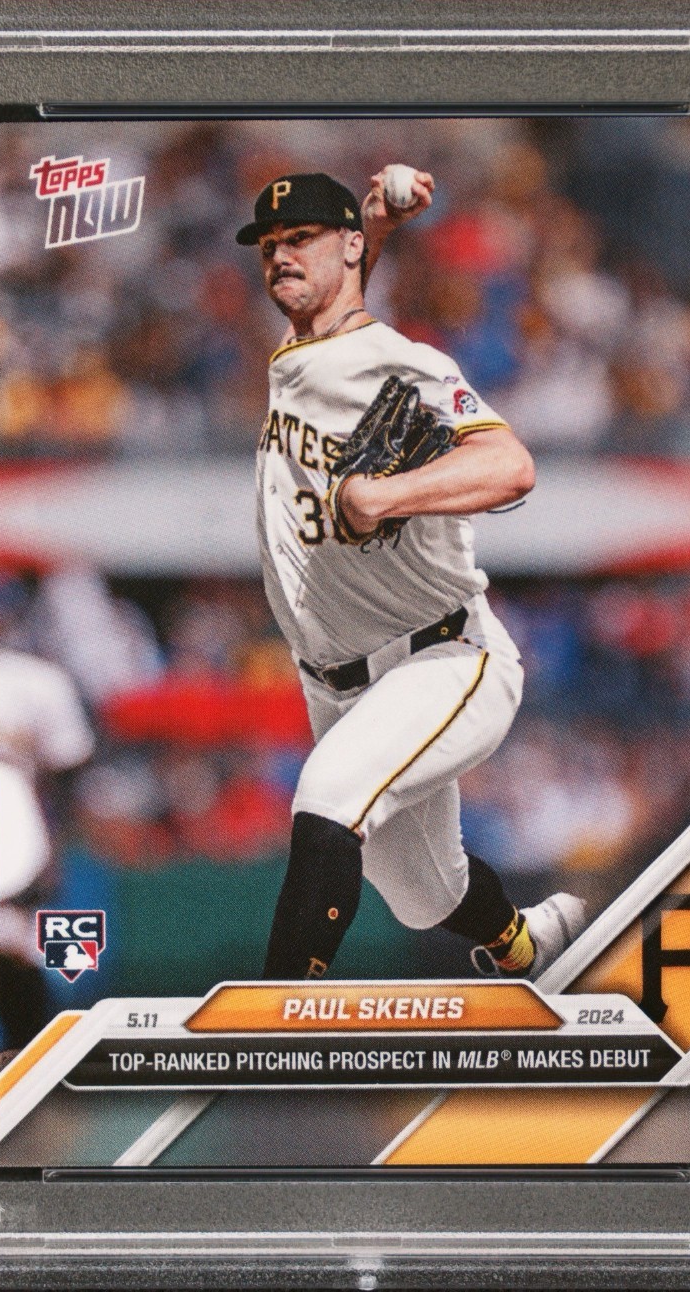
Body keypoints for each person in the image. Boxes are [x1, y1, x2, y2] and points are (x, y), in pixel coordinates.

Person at [236, 169, 584, 982]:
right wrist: (376, 225)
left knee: (326, 799)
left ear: (346, 248)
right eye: (271, 244)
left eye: (300, 239)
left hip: (440, 656)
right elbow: (339, 303)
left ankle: (277, 1014)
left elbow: (510, 465)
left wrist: (384, 494)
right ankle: (531, 942)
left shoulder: (404, 361)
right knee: (424, 895)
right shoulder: (300, 351)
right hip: (337, 681)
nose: (281, 256)